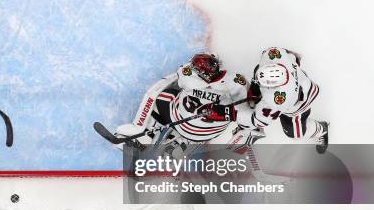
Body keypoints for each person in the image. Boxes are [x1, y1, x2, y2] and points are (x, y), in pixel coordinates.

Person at [199, 47, 329, 153]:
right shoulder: (273, 54)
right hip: (299, 79)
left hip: (299, 104)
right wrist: (255, 89)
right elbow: (287, 55)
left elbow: (259, 121)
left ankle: (321, 129)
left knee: (295, 134)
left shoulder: (279, 100)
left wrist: (227, 113)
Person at [115, 52, 249, 149]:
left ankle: (147, 135)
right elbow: (245, 104)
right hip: (208, 134)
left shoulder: (188, 77)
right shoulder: (235, 81)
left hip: (182, 124)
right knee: (211, 119)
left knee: (164, 96)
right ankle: (181, 144)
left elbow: (181, 71)